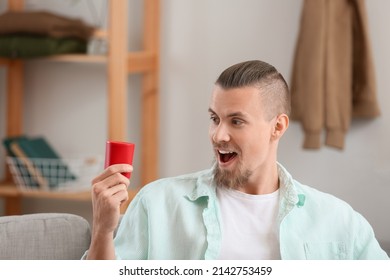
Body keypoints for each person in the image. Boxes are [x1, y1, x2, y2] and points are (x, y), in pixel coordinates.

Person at [85, 60, 389, 260]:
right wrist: (102, 230)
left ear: (278, 126)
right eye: (215, 119)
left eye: (236, 122)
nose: (219, 135)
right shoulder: (158, 203)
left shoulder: (337, 220)